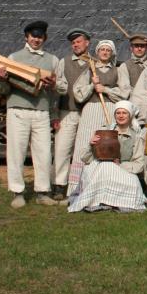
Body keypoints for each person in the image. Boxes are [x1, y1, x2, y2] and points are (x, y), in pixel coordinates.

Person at [0, 20, 60, 208]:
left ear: (44, 38)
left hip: (41, 111)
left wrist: (53, 88)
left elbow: (57, 91)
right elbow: (2, 90)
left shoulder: (52, 60)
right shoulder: (13, 58)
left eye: (40, 37)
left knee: (44, 153)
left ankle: (42, 192)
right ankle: (17, 192)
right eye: (33, 36)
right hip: (18, 110)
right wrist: (1, 79)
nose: (36, 40)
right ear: (27, 37)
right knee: (16, 151)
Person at [68, 40, 131, 196]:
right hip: (90, 111)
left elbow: (125, 93)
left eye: (108, 50)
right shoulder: (90, 69)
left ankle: (106, 187)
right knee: (86, 144)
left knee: (107, 147)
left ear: (112, 53)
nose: (104, 52)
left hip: (109, 109)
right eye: (102, 50)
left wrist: (105, 89)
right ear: (97, 52)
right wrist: (92, 86)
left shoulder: (118, 71)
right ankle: (76, 189)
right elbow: (78, 93)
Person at [67, 101, 147, 212]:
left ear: (130, 116)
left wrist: (121, 165)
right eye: (118, 113)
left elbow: (139, 164)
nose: (121, 115)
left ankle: (116, 201)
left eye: (124, 113)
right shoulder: (104, 131)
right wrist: (91, 145)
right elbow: (86, 159)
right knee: (105, 167)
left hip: (124, 169)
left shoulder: (136, 137)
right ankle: (97, 200)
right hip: (100, 167)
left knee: (134, 183)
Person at [52, 27, 91, 201]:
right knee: (62, 149)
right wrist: (54, 113)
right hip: (67, 111)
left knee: (84, 151)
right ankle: (59, 185)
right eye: (73, 43)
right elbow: (56, 88)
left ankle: (81, 184)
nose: (75, 45)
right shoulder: (64, 61)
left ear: (87, 43)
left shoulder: (95, 63)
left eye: (78, 41)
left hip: (88, 113)